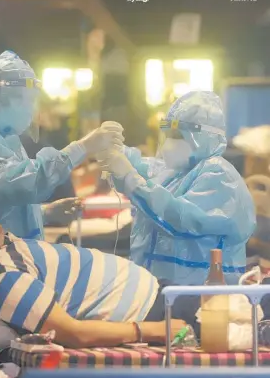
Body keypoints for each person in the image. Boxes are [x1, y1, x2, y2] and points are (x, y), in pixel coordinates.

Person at [0, 160, 270, 349]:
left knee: (256, 294)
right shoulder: (6, 280)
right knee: (257, 312)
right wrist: (154, 331)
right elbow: (75, 334)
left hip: (154, 291)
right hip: (153, 309)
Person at [0, 51, 124, 239]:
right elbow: (24, 184)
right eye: (22, 99)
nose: (30, 107)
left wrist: (44, 213)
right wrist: (83, 147)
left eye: (31, 99)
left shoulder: (5, 140)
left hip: (9, 257)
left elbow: (3, 207)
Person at [99, 91, 256, 285]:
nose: (170, 142)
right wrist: (116, 149)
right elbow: (146, 169)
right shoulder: (176, 171)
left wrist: (130, 178)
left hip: (203, 292)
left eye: (178, 134)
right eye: (168, 132)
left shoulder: (219, 175)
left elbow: (180, 218)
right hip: (160, 286)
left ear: (204, 137)